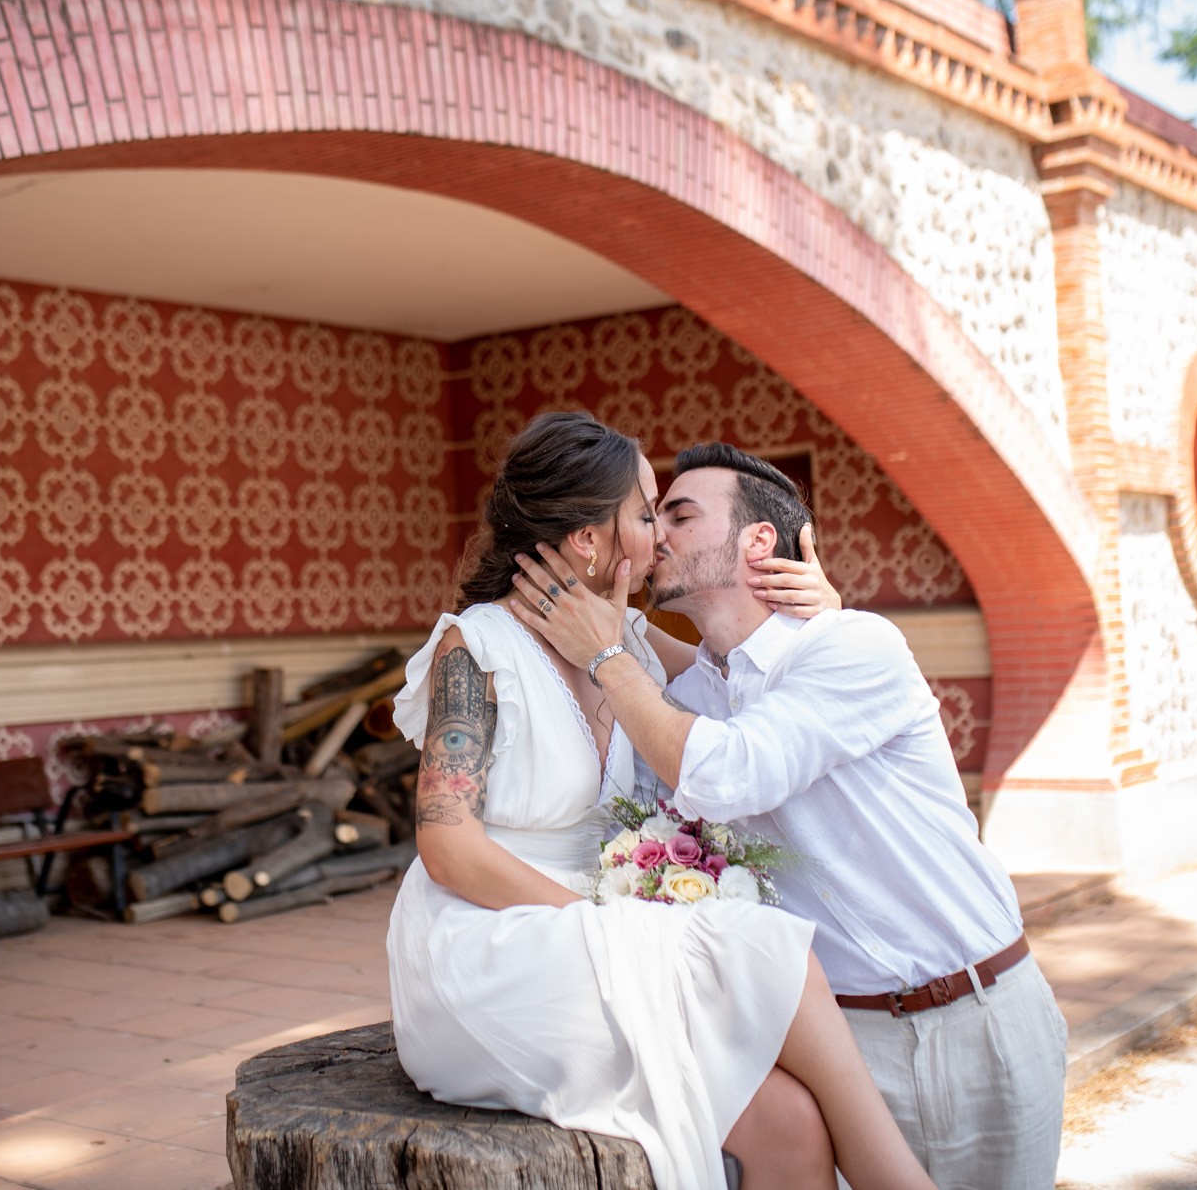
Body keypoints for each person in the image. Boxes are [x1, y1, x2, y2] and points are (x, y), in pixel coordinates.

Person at [387, 411, 935, 1190]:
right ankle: (901, 1181)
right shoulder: (475, 647)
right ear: (588, 539)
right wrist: (610, 926)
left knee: (790, 1125)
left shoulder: (630, 643)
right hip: (490, 944)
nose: (660, 533)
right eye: (647, 514)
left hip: (592, 937)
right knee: (765, 943)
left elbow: (743, 659)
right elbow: (447, 846)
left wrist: (822, 605)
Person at [510, 441, 1070, 1190]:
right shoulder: (690, 703)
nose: (656, 533)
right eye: (651, 514)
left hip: (981, 1017)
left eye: (678, 512)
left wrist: (607, 651)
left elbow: (730, 769)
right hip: (844, 1044)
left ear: (760, 541)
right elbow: (646, 742)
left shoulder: (851, 644)